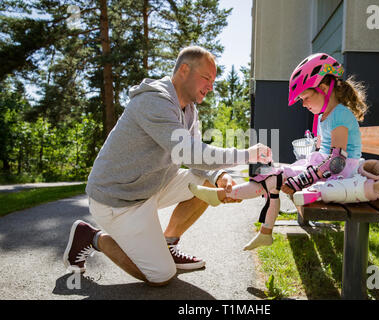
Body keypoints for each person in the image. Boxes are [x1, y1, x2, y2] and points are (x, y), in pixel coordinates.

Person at [63, 46, 271, 286]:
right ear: (184, 70)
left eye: (213, 80)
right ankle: (91, 236)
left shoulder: (190, 110)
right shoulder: (153, 101)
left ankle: (168, 244)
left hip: (149, 187)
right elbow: (190, 153)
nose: (211, 86)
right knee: (161, 276)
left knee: (205, 181)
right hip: (118, 200)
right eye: (207, 78)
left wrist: (220, 177)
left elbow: (199, 161)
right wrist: (247, 154)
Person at [188, 53, 369, 251]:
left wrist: (301, 179)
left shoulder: (340, 114)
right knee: (272, 175)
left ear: (324, 89)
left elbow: (337, 161)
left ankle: (221, 196)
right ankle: (265, 231)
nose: (304, 104)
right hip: (325, 169)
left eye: (306, 97)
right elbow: (325, 152)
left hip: (338, 174)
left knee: (274, 179)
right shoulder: (325, 115)